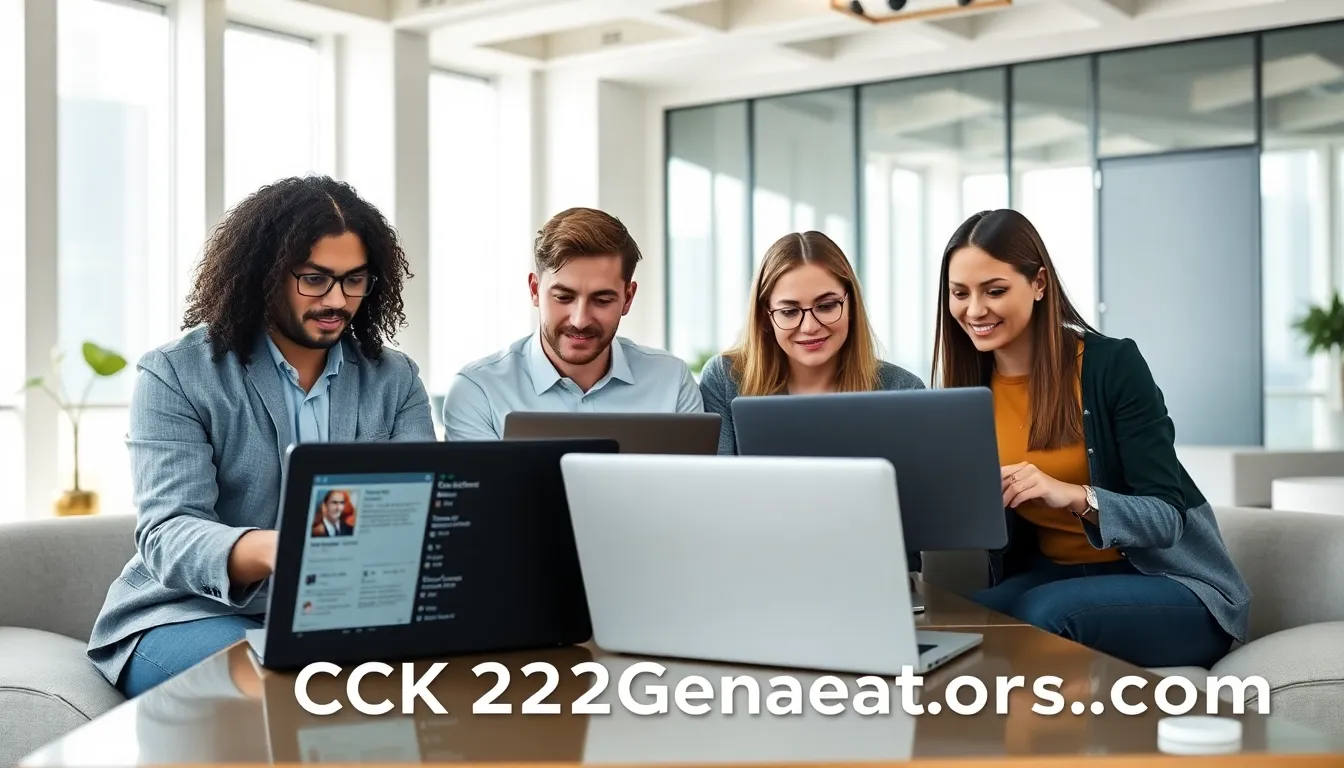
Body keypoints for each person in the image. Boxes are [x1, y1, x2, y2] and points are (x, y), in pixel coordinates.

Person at [86, 176, 437, 697]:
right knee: (289, 692)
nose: (337, 300)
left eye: (354, 280)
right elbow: (169, 531)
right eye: (315, 280)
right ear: (265, 277)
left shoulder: (394, 378)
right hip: (187, 614)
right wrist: (283, 549)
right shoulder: (177, 373)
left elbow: (421, 507)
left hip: (343, 614)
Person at [933, 208, 1250, 669]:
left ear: (1039, 283)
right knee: (952, 622)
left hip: (1170, 585)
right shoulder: (970, 392)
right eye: (959, 293)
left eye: (994, 290)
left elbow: (1166, 518)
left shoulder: (1111, 366)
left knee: (1043, 616)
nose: (974, 310)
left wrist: (1071, 495)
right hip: (1056, 576)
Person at [442, 207, 702, 440]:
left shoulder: (671, 381)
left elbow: (692, 491)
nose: (580, 320)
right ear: (534, 290)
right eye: (564, 297)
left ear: (628, 298)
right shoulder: (480, 391)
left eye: (602, 300)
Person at [698, 230, 925, 456]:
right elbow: (713, 486)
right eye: (788, 311)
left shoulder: (903, 390)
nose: (809, 327)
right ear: (766, 315)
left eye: (826, 306)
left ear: (852, 306)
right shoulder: (725, 378)